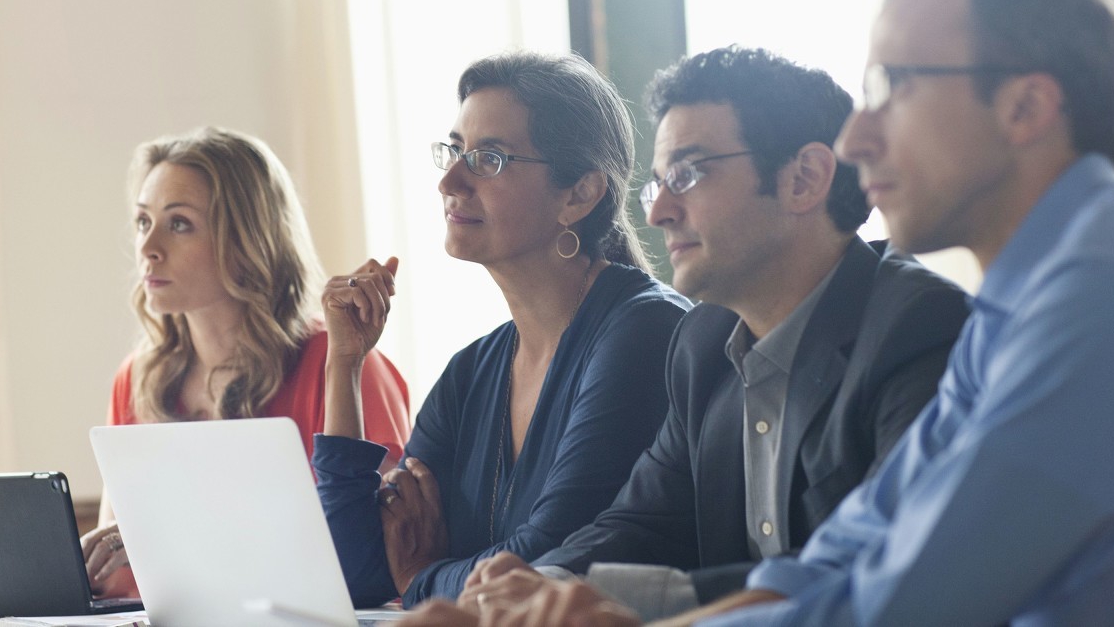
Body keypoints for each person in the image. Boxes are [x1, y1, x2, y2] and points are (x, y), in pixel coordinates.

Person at [450, 0, 1114, 625]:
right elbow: (837, 562)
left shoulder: (1093, 297)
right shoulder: (1014, 309)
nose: (856, 139)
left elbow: (907, 602)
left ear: (1026, 106)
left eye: (893, 87)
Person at [421, 46, 969, 624]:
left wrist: (638, 603)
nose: (658, 212)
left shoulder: (916, 328)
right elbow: (640, 525)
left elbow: (876, 570)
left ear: (803, 179)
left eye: (687, 174)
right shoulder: (704, 342)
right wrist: (535, 587)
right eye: (659, 183)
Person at [314, 51, 692, 608]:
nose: (449, 180)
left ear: (579, 194)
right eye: (454, 151)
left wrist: (419, 578)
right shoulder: (470, 372)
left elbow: (545, 561)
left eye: (488, 159)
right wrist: (344, 363)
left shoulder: (644, 333)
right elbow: (357, 575)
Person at [80, 127, 411, 599]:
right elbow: (114, 579)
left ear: (246, 240)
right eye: (142, 221)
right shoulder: (137, 379)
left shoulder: (340, 362)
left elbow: (377, 558)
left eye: (179, 224)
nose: (148, 247)